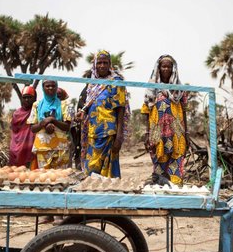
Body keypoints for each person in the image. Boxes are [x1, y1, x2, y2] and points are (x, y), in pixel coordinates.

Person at [77, 50, 130, 178]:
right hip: (92, 132)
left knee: (108, 171)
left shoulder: (116, 81)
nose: (102, 65)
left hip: (109, 133)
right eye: (99, 62)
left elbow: (120, 109)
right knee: (91, 171)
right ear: (94, 64)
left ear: (110, 64)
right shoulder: (92, 84)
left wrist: (119, 136)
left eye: (105, 62)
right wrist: (82, 114)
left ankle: (109, 197)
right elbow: (88, 106)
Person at [141, 55, 188, 185]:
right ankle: (160, 187)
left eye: (169, 66)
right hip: (157, 130)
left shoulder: (179, 89)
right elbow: (146, 110)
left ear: (173, 69)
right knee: (159, 156)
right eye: (163, 66)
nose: (166, 69)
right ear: (159, 68)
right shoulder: (152, 88)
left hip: (176, 130)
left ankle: (175, 186)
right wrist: (147, 132)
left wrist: (187, 133)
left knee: (177, 155)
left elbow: (184, 110)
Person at [27, 80, 71, 169]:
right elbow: (32, 128)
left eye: (53, 86)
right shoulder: (37, 105)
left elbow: (67, 126)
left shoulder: (65, 104)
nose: (50, 88)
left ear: (56, 87)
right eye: (47, 86)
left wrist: (52, 120)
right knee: (45, 177)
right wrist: (43, 123)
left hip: (60, 147)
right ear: (43, 88)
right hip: (43, 147)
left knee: (61, 177)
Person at [9, 86, 36, 167]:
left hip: (32, 148)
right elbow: (14, 133)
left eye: (29, 97)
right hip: (17, 148)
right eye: (24, 97)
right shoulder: (16, 114)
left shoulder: (37, 111)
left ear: (34, 98)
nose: (27, 100)